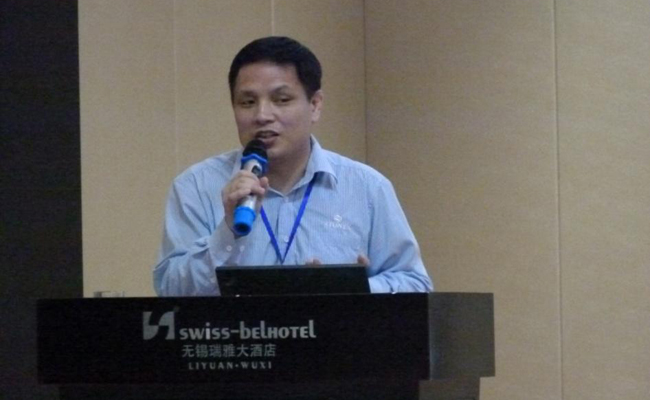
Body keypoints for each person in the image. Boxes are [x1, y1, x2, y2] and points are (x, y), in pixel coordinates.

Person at [153, 36, 433, 296]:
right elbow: (170, 291)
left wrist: (356, 290)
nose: (262, 115)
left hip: (336, 335)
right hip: (240, 334)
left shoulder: (367, 188)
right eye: (247, 102)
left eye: (282, 100)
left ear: (315, 105)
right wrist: (227, 231)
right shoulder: (197, 187)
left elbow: (415, 283)